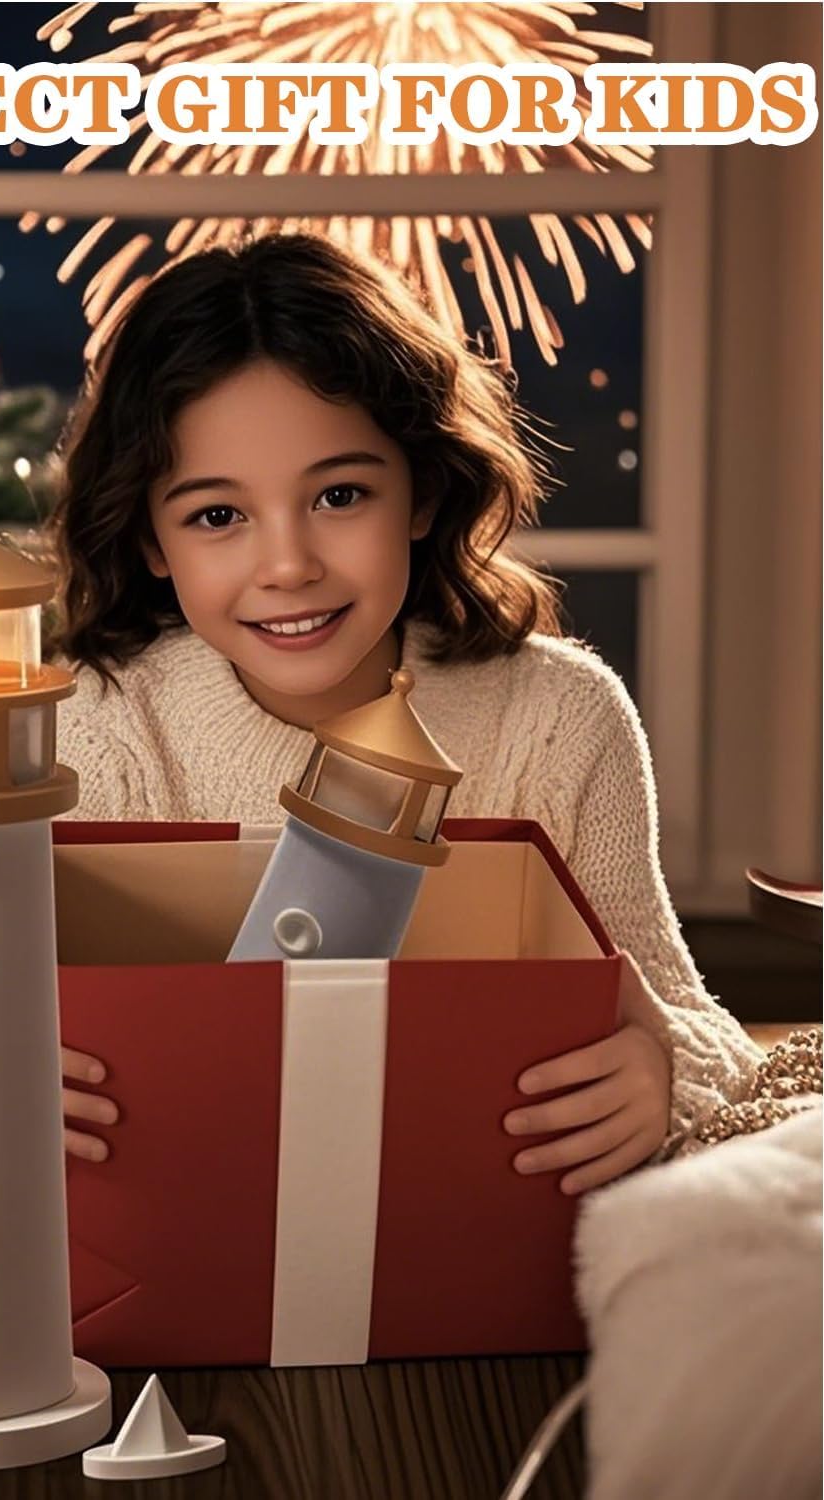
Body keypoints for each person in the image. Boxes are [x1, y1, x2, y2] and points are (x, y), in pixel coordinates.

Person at [50, 230, 762, 1186]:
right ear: (147, 538)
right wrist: (0, 1067)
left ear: (422, 492)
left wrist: (664, 1071)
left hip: (479, 1233)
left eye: (339, 495)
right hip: (176, 1239)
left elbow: (693, 1025)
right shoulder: (101, 728)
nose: (288, 565)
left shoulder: (556, 718)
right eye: (217, 515)